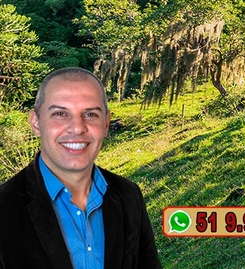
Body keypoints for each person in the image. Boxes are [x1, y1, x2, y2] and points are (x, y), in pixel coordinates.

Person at [0, 67, 162, 269]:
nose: (77, 128)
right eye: (60, 113)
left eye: (91, 114)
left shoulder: (129, 195)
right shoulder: (4, 207)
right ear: (36, 123)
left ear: (106, 124)